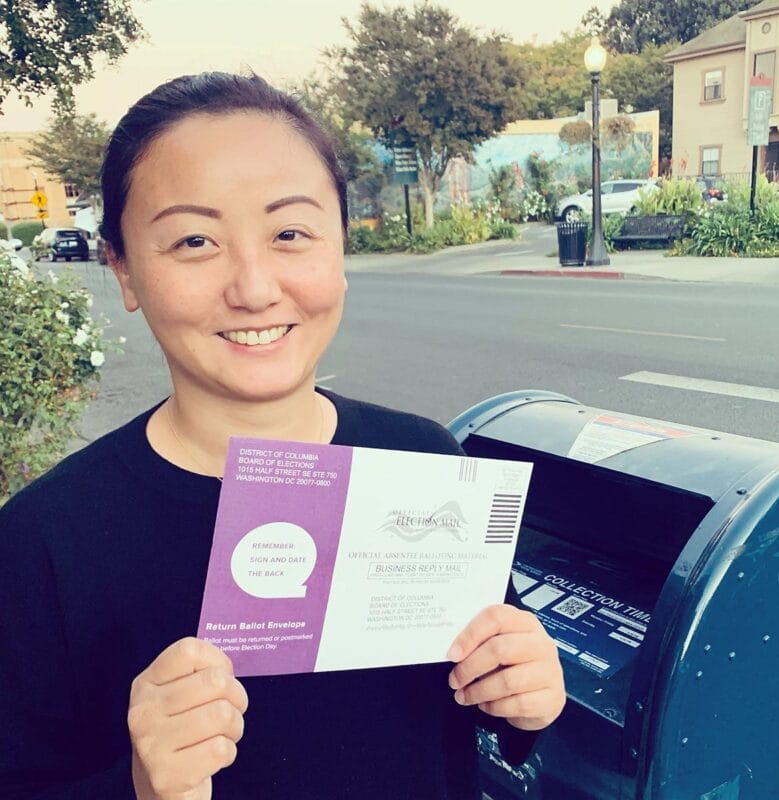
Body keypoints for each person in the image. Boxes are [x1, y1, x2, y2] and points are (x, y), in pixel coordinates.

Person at [0, 72, 565, 799]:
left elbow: (491, 702)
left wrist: (528, 699)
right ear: (124, 270)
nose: (255, 286)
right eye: (194, 240)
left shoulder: (423, 461)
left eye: (290, 233)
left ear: (340, 246)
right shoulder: (45, 542)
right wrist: (138, 787)